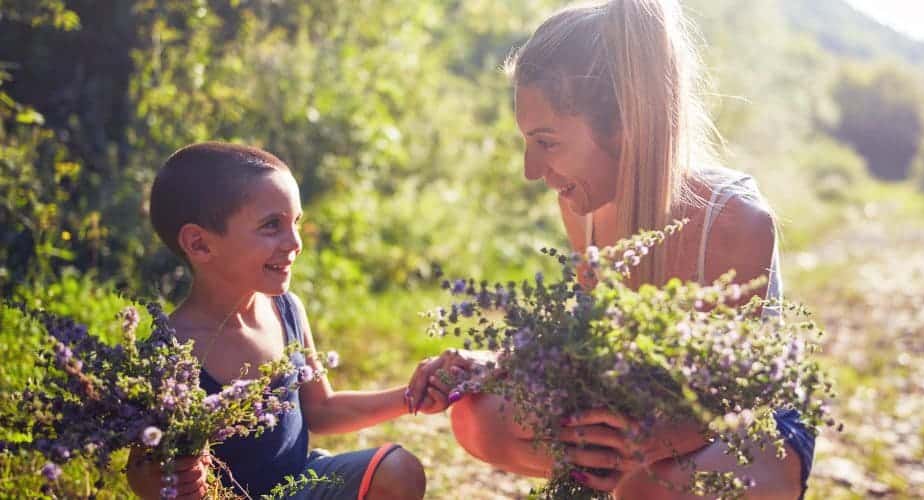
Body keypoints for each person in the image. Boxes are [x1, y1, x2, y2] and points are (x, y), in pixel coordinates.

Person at [444, 0, 814, 498]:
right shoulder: (581, 204)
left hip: (748, 420)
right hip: (637, 397)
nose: (531, 170)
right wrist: (501, 361)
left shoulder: (736, 223)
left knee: (645, 489)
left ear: (624, 125)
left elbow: (734, 397)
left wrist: (639, 446)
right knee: (478, 417)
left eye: (547, 142)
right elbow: (592, 343)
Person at [127, 142, 456, 499]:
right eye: (272, 225)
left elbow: (321, 409)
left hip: (300, 485)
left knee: (399, 469)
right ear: (200, 244)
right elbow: (142, 467)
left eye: (296, 222)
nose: (295, 242)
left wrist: (411, 397)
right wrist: (166, 481)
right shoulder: (171, 350)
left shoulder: (286, 309)